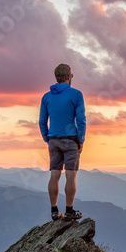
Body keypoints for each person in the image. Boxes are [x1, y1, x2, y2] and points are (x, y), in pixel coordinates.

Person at [38, 63, 87, 221]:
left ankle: (54, 211)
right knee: (71, 176)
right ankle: (69, 210)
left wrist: (47, 138)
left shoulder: (46, 97)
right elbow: (81, 120)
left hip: (53, 140)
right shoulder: (76, 95)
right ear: (69, 77)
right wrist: (81, 140)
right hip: (70, 140)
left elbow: (42, 121)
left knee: (54, 175)